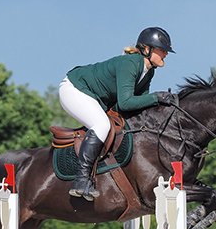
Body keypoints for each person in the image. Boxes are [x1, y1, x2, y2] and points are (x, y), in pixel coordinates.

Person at [59, 27, 177, 201]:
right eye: (162, 50)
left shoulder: (149, 71)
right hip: (74, 89)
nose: (166, 54)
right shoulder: (130, 63)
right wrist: (156, 98)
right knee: (101, 125)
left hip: (94, 97)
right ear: (147, 49)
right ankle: (81, 180)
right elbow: (126, 102)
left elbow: (140, 101)